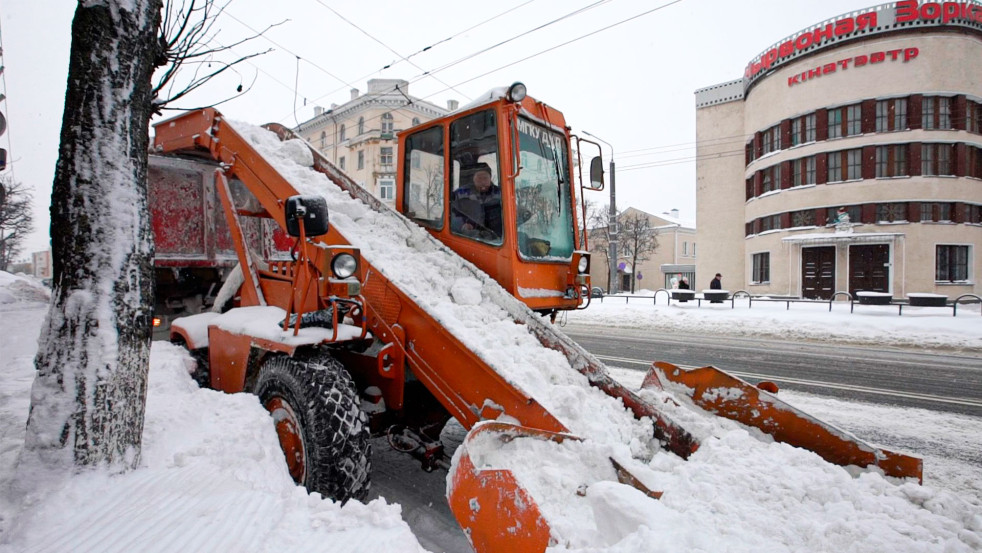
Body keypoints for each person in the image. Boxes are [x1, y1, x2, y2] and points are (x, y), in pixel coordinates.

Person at [451, 162, 502, 239]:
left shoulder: (500, 193)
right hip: (468, 237)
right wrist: (462, 225)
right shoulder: (461, 193)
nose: (482, 182)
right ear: (473, 179)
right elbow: (450, 213)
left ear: (490, 178)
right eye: (479, 178)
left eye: (485, 178)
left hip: (496, 238)